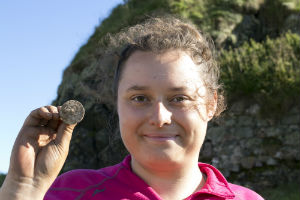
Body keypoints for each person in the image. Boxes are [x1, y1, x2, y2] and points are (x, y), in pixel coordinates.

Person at [0, 16, 264, 200]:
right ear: (117, 104)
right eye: (139, 98)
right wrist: (22, 189)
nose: (159, 118)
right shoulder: (70, 192)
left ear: (210, 104)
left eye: (179, 98)